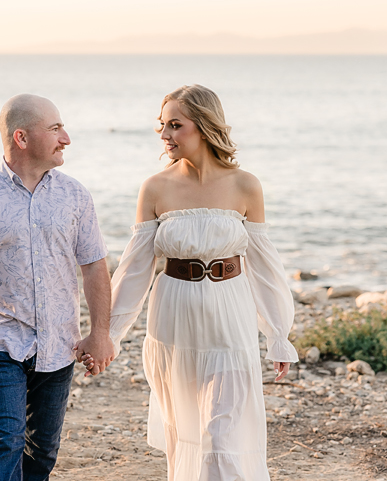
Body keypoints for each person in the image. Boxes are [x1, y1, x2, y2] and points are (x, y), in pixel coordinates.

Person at [89, 85, 299, 481]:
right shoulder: (155, 187)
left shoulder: (245, 185)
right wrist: (110, 334)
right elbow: (136, 268)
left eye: (175, 125)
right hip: (174, 318)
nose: (164, 135)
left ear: (203, 126)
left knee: (220, 437)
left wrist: (277, 333)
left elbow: (263, 265)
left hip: (229, 318)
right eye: (162, 125)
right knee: (183, 436)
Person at [0, 94, 115, 481]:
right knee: (5, 440)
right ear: (22, 138)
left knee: (42, 449)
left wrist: (100, 333)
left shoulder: (75, 196)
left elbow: (94, 266)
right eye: (55, 129)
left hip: (59, 342)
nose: (66, 138)